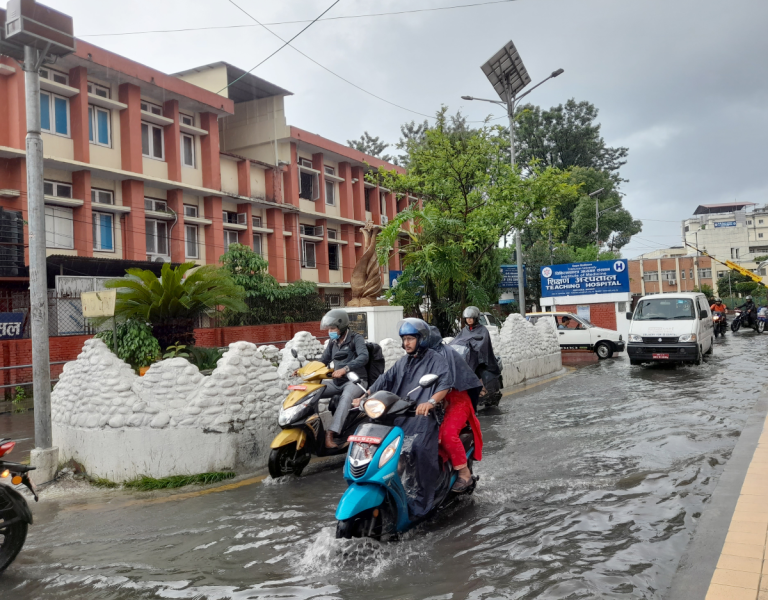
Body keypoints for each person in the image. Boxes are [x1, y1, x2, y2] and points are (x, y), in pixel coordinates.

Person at [362, 318, 451, 517]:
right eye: (404, 339)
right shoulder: (403, 361)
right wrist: (364, 396)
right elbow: (385, 380)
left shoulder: (436, 360)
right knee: (383, 450)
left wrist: (430, 402)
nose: (406, 343)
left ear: (422, 339)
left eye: (411, 339)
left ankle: (423, 501)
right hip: (400, 417)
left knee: (419, 449)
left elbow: (444, 384)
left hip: (425, 418)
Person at [300, 309, 368, 449]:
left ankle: (330, 434)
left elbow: (363, 356)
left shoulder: (356, 338)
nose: (330, 331)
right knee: (312, 390)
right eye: (329, 328)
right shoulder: (333, 342)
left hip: (356, 381)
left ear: (342, 327)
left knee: (346, 397)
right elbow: (323, 360)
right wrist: (303, 370)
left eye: (332, 328)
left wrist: (345, 369)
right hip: (337, 382)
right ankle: (312, 428)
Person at [427, 326, 483, 492]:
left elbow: (446, 383)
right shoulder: (418, 357)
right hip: (431, 403)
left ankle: (464, 473)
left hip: (456, 401)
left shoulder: (445, 354)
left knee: (446, 435)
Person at [451, 306, 501, 406]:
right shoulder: (464, 330)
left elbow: (483, 344)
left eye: (471, 318)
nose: (469, 320)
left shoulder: (482, 330)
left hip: (480, 358)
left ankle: (482, 389)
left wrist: (473, 345)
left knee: (477, 369)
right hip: (467, 356)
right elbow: (457, 340)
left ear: (476, 318)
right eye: (467, 318)